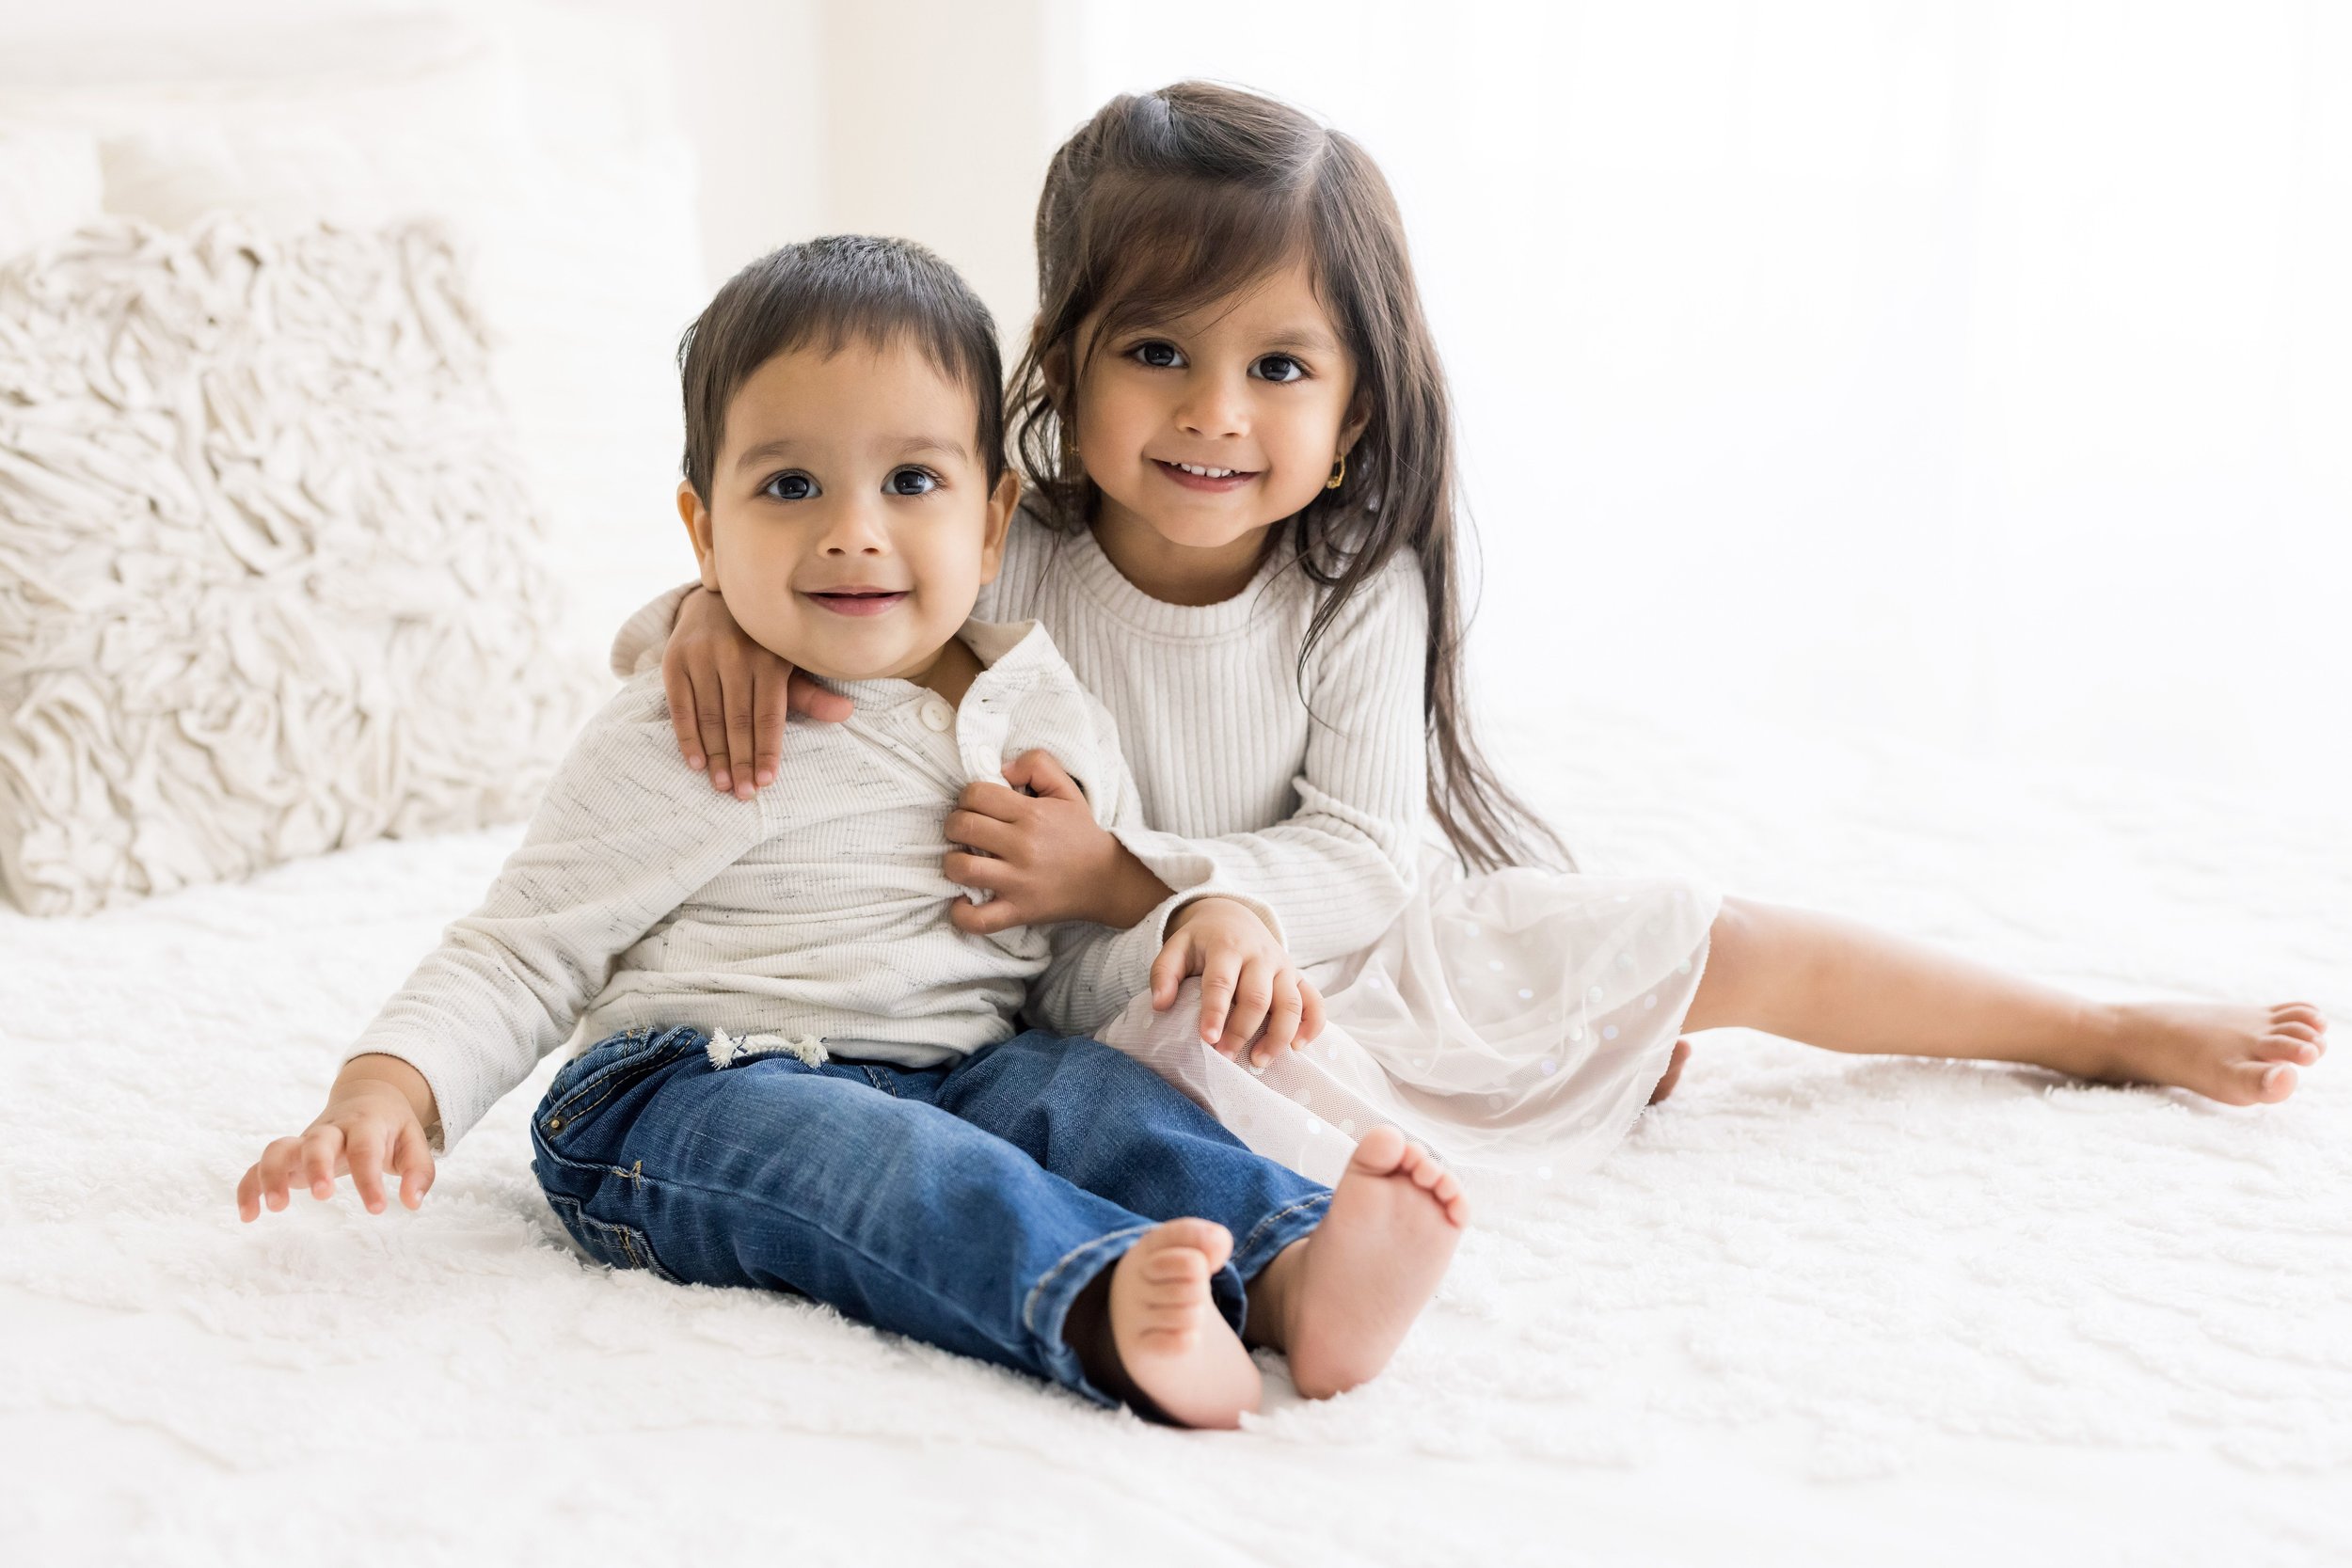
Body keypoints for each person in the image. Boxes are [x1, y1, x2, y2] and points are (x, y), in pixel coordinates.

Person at [628, 85, 2328, 1184]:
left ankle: (2093, 1027)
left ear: (1360, 402)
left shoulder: (1357, 578)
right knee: (1192, 1116)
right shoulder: (1007, 550)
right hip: (1163, 1013)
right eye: (1159, 352)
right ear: (1064, 359)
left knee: (1713, 932)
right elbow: (803, 600)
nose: (1216, 414)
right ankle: (1532, 1095)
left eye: (1279, 367)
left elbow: (1369, 853)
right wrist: (702, 615)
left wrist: (1132, 870)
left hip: (1373, 948)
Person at [235, 234, 1470, 1427]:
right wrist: (389, 1088)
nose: (854, 531)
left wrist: (1171, 922)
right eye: (789, 486)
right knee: (891, 1165)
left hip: (959, 1067)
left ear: (991, 526)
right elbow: (521, 947)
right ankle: (1091, 1300)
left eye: (913, 483)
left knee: (1092, 1098)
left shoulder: (1044, 711)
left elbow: (1068, 971)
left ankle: (1293, 1264)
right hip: (688, 1089)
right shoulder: (699, 722)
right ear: (704, 534)